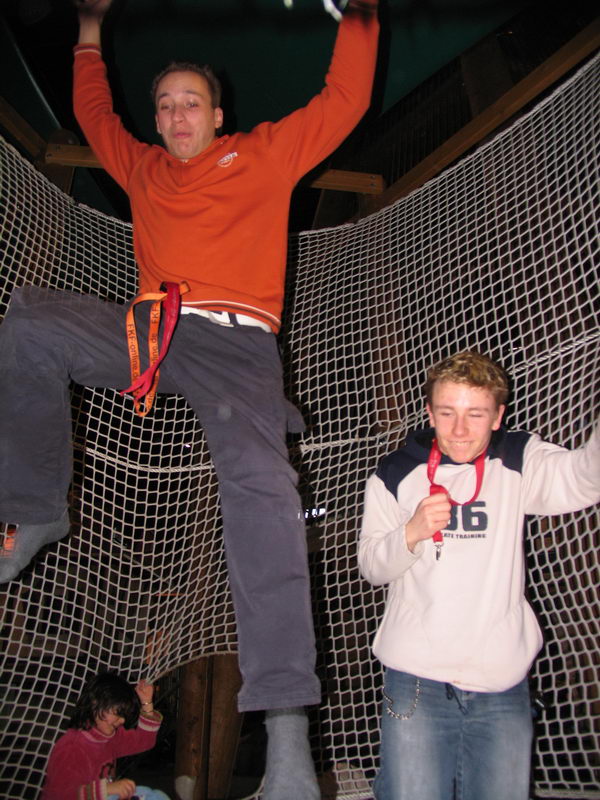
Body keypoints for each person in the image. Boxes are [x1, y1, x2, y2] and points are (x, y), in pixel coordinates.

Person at [0, 0, 379, 796]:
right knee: (30, 321)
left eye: (191, 103)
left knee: (264, 493)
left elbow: (343, 99)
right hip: (156, 331)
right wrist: (91, 26)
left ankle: (286, 733)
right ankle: (35, 509)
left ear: (217, 115)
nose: (177, 115)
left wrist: (362, 14)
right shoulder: (142, 168)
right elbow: (93, 112)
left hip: (240, 348)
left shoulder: (263, 154)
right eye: (166, 103)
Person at [358, 350, 600, 800]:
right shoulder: (396, 471)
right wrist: (411, 532)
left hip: (501, 684)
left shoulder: (519, 458)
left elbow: (586, 479)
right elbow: (372, 567)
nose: (460, 430)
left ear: (498, 416)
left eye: (476, 414)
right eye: (447, 412)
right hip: (416, 679)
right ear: (429, 412)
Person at [41, 671, 168, 800]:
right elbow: (59, 795)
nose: (122, 720)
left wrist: (146, 703)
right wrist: (106, 789)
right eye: (118, 713)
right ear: (95, 703)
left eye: (124, 715)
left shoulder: (110, 737)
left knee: (154, 795)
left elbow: (144, 741)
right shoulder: (71, 747)